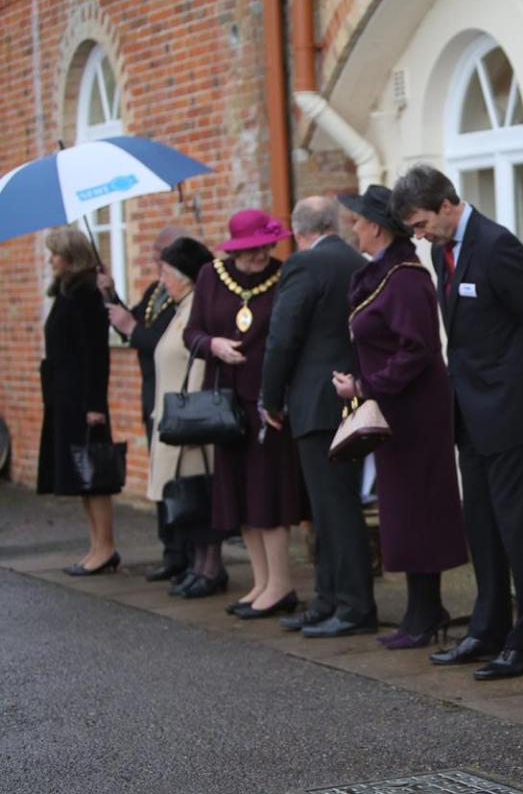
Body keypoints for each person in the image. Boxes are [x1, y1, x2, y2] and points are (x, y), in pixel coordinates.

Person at [392, 164, 523, 680]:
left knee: (519, 532)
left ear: (447, 204)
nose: (419, 236)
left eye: (423, 224)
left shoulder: (497, 247)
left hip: (513, 414)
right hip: (469, 413)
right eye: (413, 230)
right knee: (484, 530)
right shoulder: (440, 250)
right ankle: (486, 629)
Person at [329, 184, 469, 648]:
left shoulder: (407, 278)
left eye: (358, 221)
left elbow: (419, 350)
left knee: (419, 509)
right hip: (395, 408)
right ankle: (420, 610)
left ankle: (427, 612)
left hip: (416, 412)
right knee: (403, 511)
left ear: (376, 227)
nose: (353, 227)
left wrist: (367, 386)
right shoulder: (382, 274)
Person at [259, 196, 379, 638]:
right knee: (331, 506)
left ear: (297, 230)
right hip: (349, 396)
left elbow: (282, 336)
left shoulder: (305, 266)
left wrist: (269, 398)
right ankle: (328, 598)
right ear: (334, 223)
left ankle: (352, 604)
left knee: (334, 508)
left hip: (316, 400)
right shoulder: (356, 260)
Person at [183, 209, 305, 611]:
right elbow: (192, 332)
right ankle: (261, 582)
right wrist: (213, 345)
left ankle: (281, 585)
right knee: (239, 496)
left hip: (268, 401)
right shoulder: (210, 276)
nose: (260, 255)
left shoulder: (285, 275)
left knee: (268, 493)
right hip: (225, 402)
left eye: (266, 247)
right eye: (252, 250)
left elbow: (292, 336)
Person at [103, 226, 189, 582]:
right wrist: (108, 292)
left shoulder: (183, 296)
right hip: (150, 394)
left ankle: (186, 553)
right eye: (156, 254)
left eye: (164, 254)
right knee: (159, 474)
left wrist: (131, 328)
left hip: (173, 396)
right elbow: (132, 321)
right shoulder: (157, 290)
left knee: (179, 478)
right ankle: (170, 551)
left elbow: (157, 340)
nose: (158, 261)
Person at [38, 227, 119, 575]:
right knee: (81, 475)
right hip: (65, 398)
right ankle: (96, 546)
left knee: (95, 475)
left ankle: (106, 547)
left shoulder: (86, 294)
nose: (50, 258)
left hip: (84, 401)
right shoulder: (67, 293)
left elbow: (95, 355)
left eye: (55, 253)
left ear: (71, 257)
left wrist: (95, 405)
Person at [145, 238, 218, 595]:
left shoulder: (195, 309)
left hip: (190, 419)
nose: (162, 281)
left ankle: (210, 567)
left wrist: (192, 412)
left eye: (167, 274)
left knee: (197, 492)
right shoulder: (180, 308)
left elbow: (199, 363)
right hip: (173, 417)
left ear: (186, 278)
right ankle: (197, 564)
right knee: (184, 495)